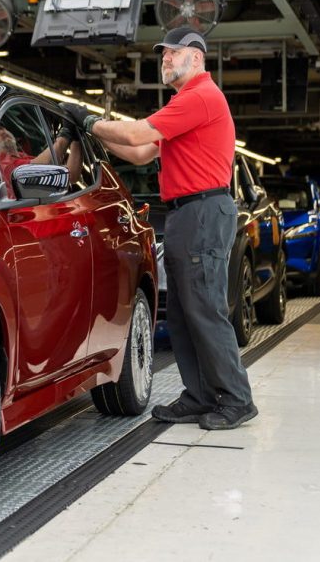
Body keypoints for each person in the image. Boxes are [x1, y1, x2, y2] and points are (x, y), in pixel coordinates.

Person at [61, 26, 257, 431]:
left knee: (205, 308)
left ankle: (236, 398)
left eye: (173, 53)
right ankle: (201, 395)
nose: (165, 59)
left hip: (203, 211)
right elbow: (139, 151)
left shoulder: (201, 96)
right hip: (188, 212)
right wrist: (91, 133)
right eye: (163, 54)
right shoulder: (184, 103)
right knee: (185, 313)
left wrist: (91, 120)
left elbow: (136, 133)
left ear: (197, 58)